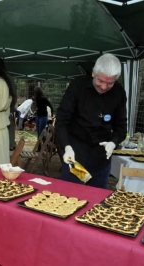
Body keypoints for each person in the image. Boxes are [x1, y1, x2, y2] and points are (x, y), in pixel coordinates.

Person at [55, 53, 127, 189]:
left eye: (110, 83)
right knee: (71, 196)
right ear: (94, 72)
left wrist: (113, 142)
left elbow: (122, 127)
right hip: (76, 157)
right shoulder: (78, 86)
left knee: (96, 202)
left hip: (100, 159)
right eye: (101, 81)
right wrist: (66, 146)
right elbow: (61, 121)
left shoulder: (119, 93)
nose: (104, 87)